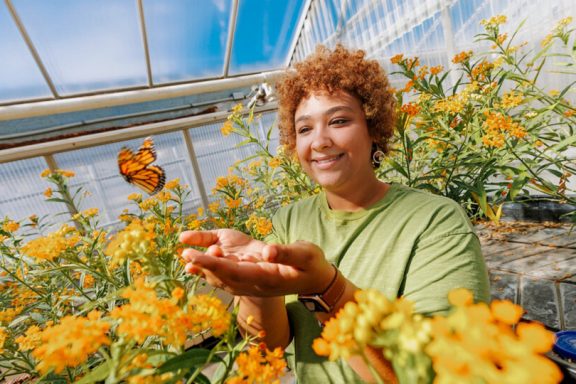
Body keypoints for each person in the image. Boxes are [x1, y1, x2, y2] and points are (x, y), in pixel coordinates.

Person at [180, 45, 490, 383]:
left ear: (374, 128)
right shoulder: (290, 220)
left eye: (339, 121)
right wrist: (254, 288)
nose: (320, 141)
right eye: (304, 129)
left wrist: (328, 289)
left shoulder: (435, 221)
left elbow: (437, 372)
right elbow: (270, 347)